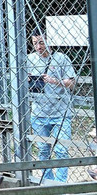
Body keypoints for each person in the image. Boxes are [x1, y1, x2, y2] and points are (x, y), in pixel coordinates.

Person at [27, 30, 77, 183]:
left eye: (41, 42)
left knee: (61, 149)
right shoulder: (29, 59)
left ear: (50, 42)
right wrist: (27, 80)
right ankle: (48, 182)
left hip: (60, 112)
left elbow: (72, 82)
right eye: (35, 43)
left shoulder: (61, 58)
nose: (38, 47)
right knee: (43, 150)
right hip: (38, 112)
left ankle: (60, 184)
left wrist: (54, 81)